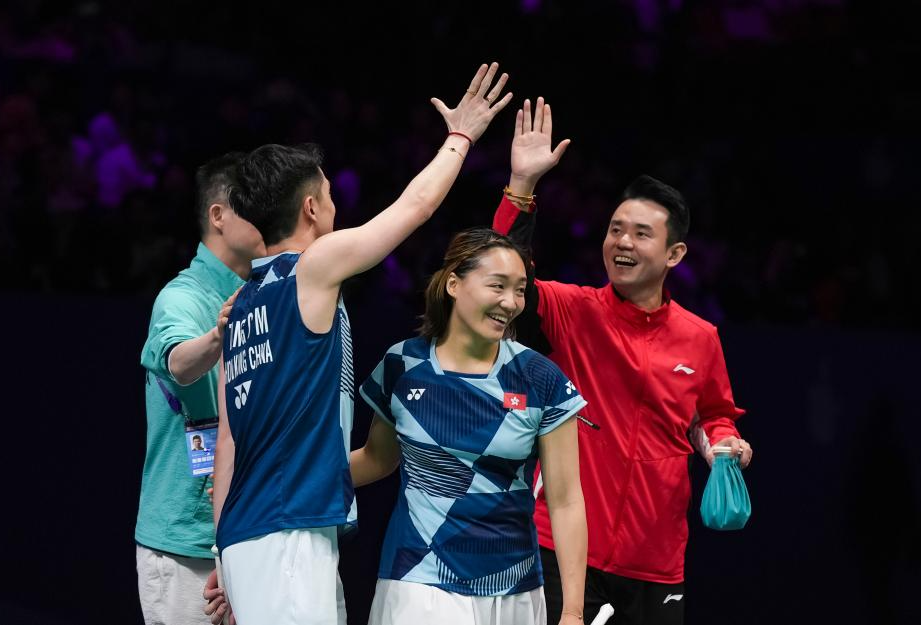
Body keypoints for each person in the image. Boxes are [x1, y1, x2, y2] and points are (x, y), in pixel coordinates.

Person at [209, 63, 512, 625]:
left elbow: (228, 441)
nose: (335, 204)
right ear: (310, 208)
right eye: (328, 194)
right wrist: (461, 137)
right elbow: (415, 208)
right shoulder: (311, 268)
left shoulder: (241, 307)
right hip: (287, 532)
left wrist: (223, 550)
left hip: (255, 534)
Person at [491, 98, 753, 625]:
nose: (622, 242)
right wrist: (521, 186)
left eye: (640, 233)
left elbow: (712, 414)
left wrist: (725, 442)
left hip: (656, 562)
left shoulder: (700, 338)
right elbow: (504, 273)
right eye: (615, 229)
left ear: (674, 254)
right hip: (562, 548)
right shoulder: (573, 310)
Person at [350, 228, 587, 625]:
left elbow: (565, 501)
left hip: (514, 588)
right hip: (419, 579)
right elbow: (377, 459)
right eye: (497, 285)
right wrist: (282, 479)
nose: (511, 302)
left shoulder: (540, 378)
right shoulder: (403, 365)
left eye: (520, 290)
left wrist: (573, 612)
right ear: (454, 285)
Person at [136, 151, 265, 625]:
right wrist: (216, 337)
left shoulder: (265, 293)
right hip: (184, 544)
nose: (268, 215)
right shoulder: (182, 297)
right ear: (218, 215)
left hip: (246, 535)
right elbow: (178, 362)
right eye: (254, 204)